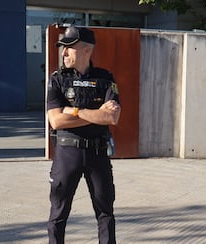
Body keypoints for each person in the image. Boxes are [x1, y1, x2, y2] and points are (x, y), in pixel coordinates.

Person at [46, 26, 121, 243]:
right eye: (63, 48)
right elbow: (56, 120)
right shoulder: (57, 79)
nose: (63, 53)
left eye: (69, 48)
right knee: (58, 214)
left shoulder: (105, 79)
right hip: (67, 153)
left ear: (87, 50)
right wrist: (96, 113)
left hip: (98, 153)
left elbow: (112, 118)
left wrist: (74, 110)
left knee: (105, 212)